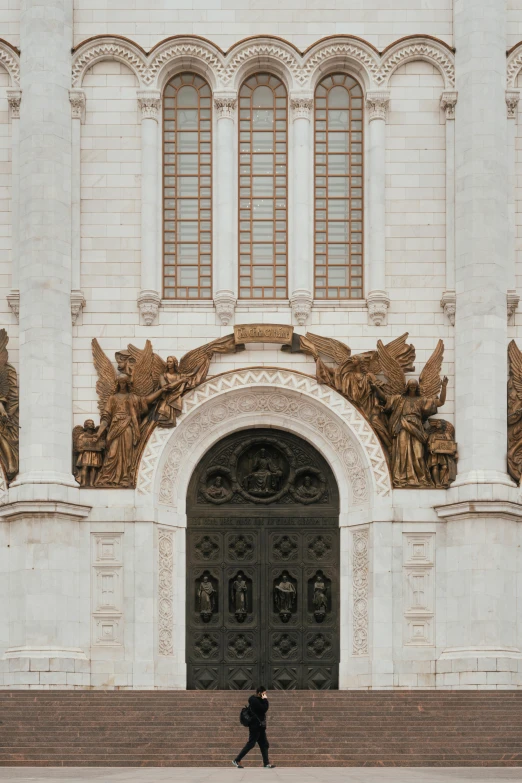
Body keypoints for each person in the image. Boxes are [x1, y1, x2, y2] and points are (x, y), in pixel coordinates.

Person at [232, 686, 275, 769]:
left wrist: (264, 699)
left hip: (260, 727)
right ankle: (237, 760)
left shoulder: (258, 700)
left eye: (265, 693)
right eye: (263, 693)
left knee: (264, 744)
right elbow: (264, 709)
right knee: (251, 744)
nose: (265, 695)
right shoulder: (254, 701)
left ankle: (266, 763)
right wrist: (265, 699)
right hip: (255, 726)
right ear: (259, 693)